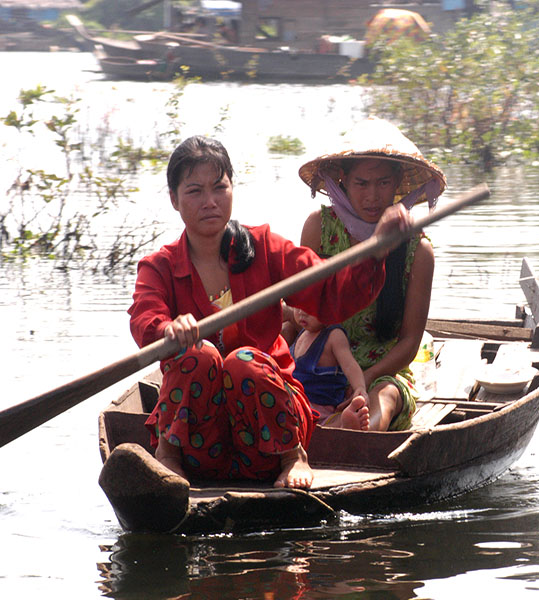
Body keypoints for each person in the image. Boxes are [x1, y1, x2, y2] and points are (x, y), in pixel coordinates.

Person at [127, 135, 410, 489]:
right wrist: (168, 329)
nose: (210, 202)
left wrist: (375, 252)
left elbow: (331, 292)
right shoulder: (160, 266)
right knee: (198, 354)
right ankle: (168, 456)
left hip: (268, 438)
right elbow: (144, 318)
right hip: (199, 445)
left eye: (219, 188)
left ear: (232, 189)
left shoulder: (263, 247)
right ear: (174, 199)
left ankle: (295, 457)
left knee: (242, 361)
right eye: (195, 191)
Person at [296, 117, 446, 431]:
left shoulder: (418, 250)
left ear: (398, 182)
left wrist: (362, 380)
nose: (372, 196)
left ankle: (354, 430)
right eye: (361, 184)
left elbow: (409, 343)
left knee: (385, 398)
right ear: (343, 180)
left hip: (381, 370)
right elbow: (299, 308)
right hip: (320, 362)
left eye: (383, 183)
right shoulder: (318, 228)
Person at [289, 306, 370, 431]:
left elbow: (349, 365)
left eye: (309, 305)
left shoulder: (334, 335)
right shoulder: (304, 333)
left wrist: (359, 387)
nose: (302, 312)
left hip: (322, 408)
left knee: (326, 424)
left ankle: (344, 424)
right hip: (297, 403)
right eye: (298, 305)